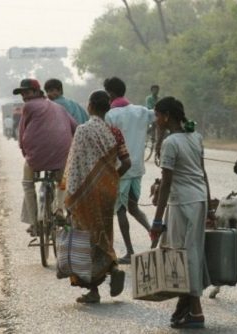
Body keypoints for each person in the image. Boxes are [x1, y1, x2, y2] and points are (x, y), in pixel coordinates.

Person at [62, 90, 131, 303]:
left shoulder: (83, 131)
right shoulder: (115, 132)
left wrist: (68, 196)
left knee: (87, 239)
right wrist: (110, 180)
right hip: (107, 192)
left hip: (84, 194)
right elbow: (127, 163)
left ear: (90, 106)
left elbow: (74, 167)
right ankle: (112, 266)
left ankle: (93, 290)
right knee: (103, 233)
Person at [149, 96, 212, 329]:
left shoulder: (171, 143)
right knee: (192, 252)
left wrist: (157, 219)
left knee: (184, 256)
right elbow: (202, 173)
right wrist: (209, 205)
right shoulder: (195, 136)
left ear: (166, 116)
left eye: (157, 116)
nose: (155, 121)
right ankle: (187, 306)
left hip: (182, 204)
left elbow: (166, 183)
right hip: (198, 199)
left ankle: (196, 312)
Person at [13, 78, 77, 236]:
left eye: (27, 92)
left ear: (36, 92)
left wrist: (25, 154)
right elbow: (75, 127)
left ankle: (34, 223)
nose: (24, 96)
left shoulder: (28, 106)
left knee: (28, 184)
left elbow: (22, 134)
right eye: (22, 94)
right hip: (62, 154)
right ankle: (59, 209)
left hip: (36, 157)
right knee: (62, 181)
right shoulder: (58, 106)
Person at [104, 76, 155, 264]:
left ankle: (130, 251)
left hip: (120, 169)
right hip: (138, 168)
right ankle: (153, 232)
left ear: (110, 93)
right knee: (133, 206)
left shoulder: (111, 115)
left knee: (121, 210)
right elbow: (156, 116)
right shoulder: (141, 111)